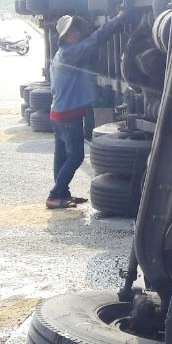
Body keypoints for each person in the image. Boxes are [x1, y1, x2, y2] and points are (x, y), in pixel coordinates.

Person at [46, 11, 126, 209]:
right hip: (68, 114)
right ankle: (55, 195)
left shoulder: (60, 54)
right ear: (66, 36)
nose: (77, 32)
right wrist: (118, 20)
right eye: (73, 30)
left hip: (58, 112)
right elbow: (95, 41)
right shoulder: (71, 54)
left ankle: (62, 193)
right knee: (76, 157)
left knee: (62, 156)